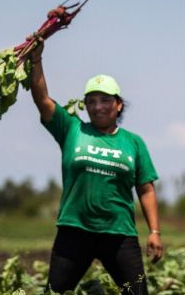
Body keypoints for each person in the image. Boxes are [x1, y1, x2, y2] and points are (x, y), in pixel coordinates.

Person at [29, 39, 163, 294]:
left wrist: (154, 231)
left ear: (118, 104)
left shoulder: (133, 143)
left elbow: (146, 189)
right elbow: (42, 99)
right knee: (55, 292)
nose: (98, 106)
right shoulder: (72, 129)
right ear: (86, 105)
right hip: (74, 231)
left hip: (119, 233)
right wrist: (36, 60)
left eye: (105, 100)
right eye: (91, 100)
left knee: (137, 293)